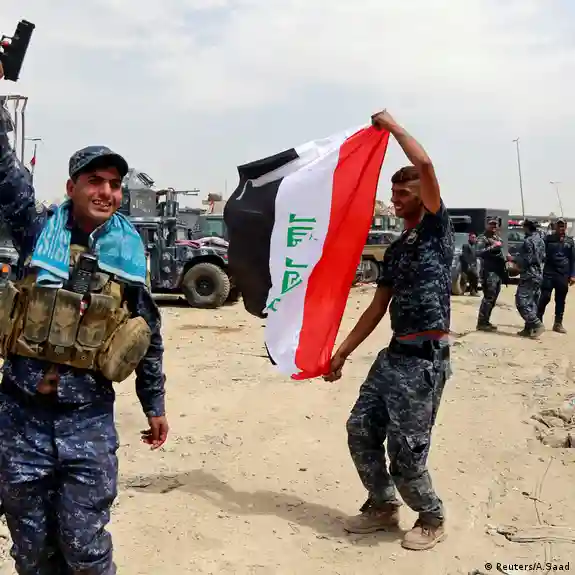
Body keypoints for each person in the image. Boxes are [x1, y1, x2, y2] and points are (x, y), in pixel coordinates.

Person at [0, 75, 169, 574]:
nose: (106, 192)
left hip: (87, 419)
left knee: (85, 547)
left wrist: (154, 404)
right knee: (32, 551)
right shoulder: (38, 232)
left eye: (114, 184)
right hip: (21, 415)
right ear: (71, 187)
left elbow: (147, 334)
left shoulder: (129, 255)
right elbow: (5, 173)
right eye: (95, 181)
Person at [324, 110, 453, 551]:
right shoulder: (397, 249)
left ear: (422, 196)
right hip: (394, 356)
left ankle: (431, 516)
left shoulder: (436, 230)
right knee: (360, 429)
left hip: (424, 362)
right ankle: (382, 506)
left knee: (406, 450)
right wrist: (342, 351)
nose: (395, 200)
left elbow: (426, 165)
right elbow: (378, 307)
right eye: (393, 192)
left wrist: (393, 127)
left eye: (403, 193)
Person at [537, 218, 575, 333]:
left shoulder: (570, 241)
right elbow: (541, 254)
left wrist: (573, 275)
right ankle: (538, 320)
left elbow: (573, 259)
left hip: (563, 274)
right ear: (555, 227)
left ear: (566, 227)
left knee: (560, 299)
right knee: (545, 297)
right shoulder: (548, 239)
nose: (561, 228)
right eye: (559, 226)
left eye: (563, 226)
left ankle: (558, 324)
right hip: (549, 272)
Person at [512, 219, 545, 338]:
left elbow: (528, 259)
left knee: (521, 301)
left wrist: (514, 260)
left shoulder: (528, 241)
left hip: (529, 275)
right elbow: (543, 257)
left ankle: (536, 324)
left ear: (526, 227)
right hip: (538, 275)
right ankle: (529, 329)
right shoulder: (541, 240)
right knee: (532, 302)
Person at [476, 219, 507, 331]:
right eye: (491, 224)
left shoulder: (497, 238)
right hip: (488, 272)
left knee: (493, 298)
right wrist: (493, 247)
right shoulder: (482, 238)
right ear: (487, 225)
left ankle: (486, 321)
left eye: (495, 225)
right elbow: (478, 252)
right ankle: (481, 323)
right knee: (488, 297)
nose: (493, 227)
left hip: (497, 272)